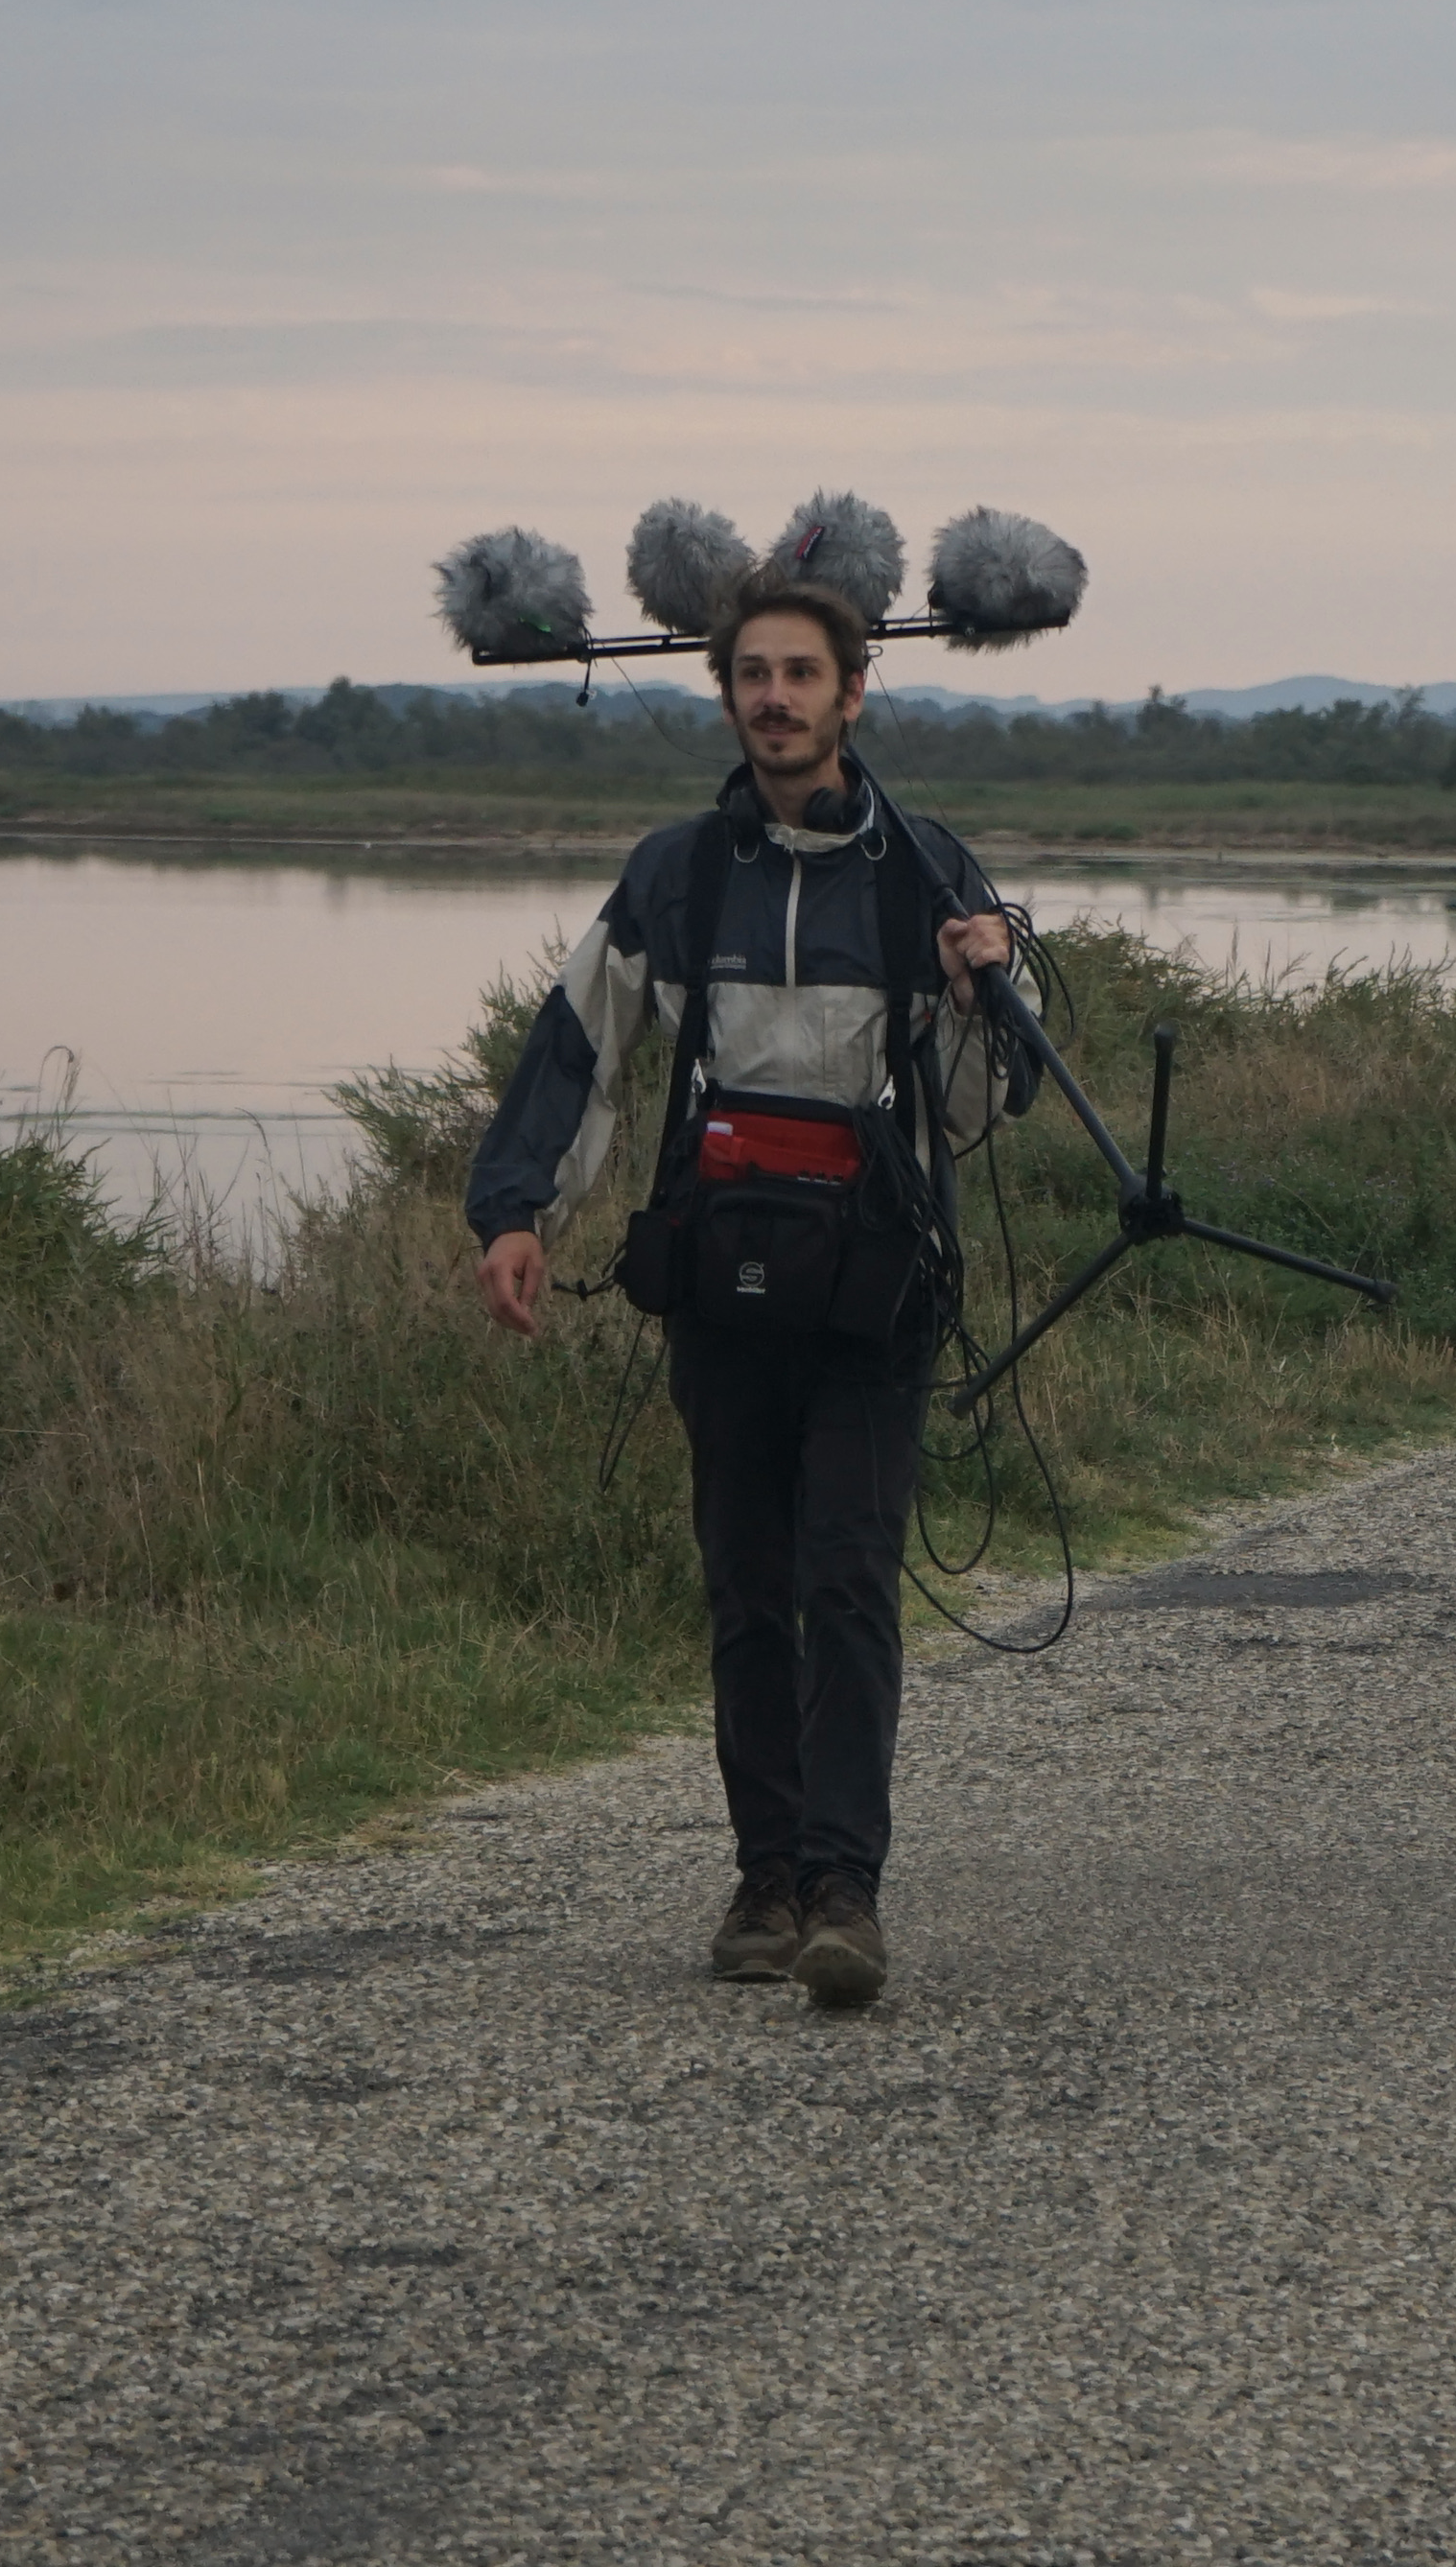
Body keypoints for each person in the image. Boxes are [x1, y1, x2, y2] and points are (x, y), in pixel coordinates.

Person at [463, 568, 1017, 2012]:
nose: (774, 698)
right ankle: (763, 1880)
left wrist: (973, 996)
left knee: (847, 1579)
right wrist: (518, 1210)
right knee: (748, 1591)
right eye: (751, 676)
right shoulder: (676, 874)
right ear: (728, 695)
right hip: (721, 1291)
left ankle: (845, 1891)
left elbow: (965, 1111)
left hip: (875, 1295)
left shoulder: (926, 871)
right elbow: (578, 1048)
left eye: (800, 675)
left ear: (850, 694)